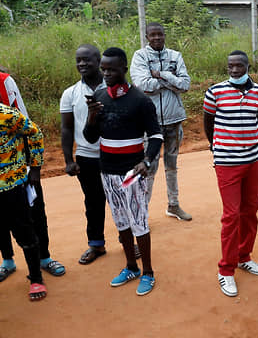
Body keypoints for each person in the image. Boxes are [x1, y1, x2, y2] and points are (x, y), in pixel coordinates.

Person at [83, 47, 164, 296]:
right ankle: (131, 267)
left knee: (138, 221)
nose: (106, 73)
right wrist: (91, 116)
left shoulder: (140, 100)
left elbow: (156, 136)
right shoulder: (99, 96)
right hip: (107, 170)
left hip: (132, 173)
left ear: (124, 69)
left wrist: (147, 161)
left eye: (111, 69)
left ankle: (148, 272)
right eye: (104, 69)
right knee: (120, 221)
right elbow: (90, 137)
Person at [204, 50, 258, 297]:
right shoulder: (215, 92)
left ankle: (244, 256)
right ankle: (226, 270)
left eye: (239, 65)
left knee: (250, 211)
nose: (234, 70)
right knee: (231, 216)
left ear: (247, 66)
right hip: (227, 162)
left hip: (253, 160)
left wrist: (249, 143)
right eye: (230, 66)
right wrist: (217, 146)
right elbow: (208, 123)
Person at [0, 70, 65, 282]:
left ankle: (44, 259)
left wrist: (33, 167)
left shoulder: (4, 81)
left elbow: (27, 125)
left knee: (33, 214)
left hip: (19, 170)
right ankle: (7, 261)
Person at [130, 22, 192, 222]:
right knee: (149, 166)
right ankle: (143, 212)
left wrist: (163, 75)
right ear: (147, 36)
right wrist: (172, 81)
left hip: (174, 120)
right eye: (153, 35)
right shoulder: (140, 56)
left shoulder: (175, 56)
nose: (157, 38)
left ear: (165, 35)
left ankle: (173, 205)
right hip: (150, 123)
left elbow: (185, 85)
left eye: (160, 34)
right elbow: (142, 86)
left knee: (172, 165)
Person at [60, 44, 107, 265]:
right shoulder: (70, 94)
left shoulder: (115, 89)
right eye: (78, 60)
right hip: (87, 157)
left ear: (99, 61)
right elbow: (67, 128)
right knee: (93, 202)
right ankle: (96, 244)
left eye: (87, 59)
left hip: (115, 154)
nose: (82, 64)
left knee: (121, 202)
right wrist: (69, 160)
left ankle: (128, 240)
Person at [0, 103, 48, 300]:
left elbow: (35, 133)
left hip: (12, 185)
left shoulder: (6, 115)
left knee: (24, 230)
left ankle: (36, 278)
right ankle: (8, 263)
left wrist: (35, 167)